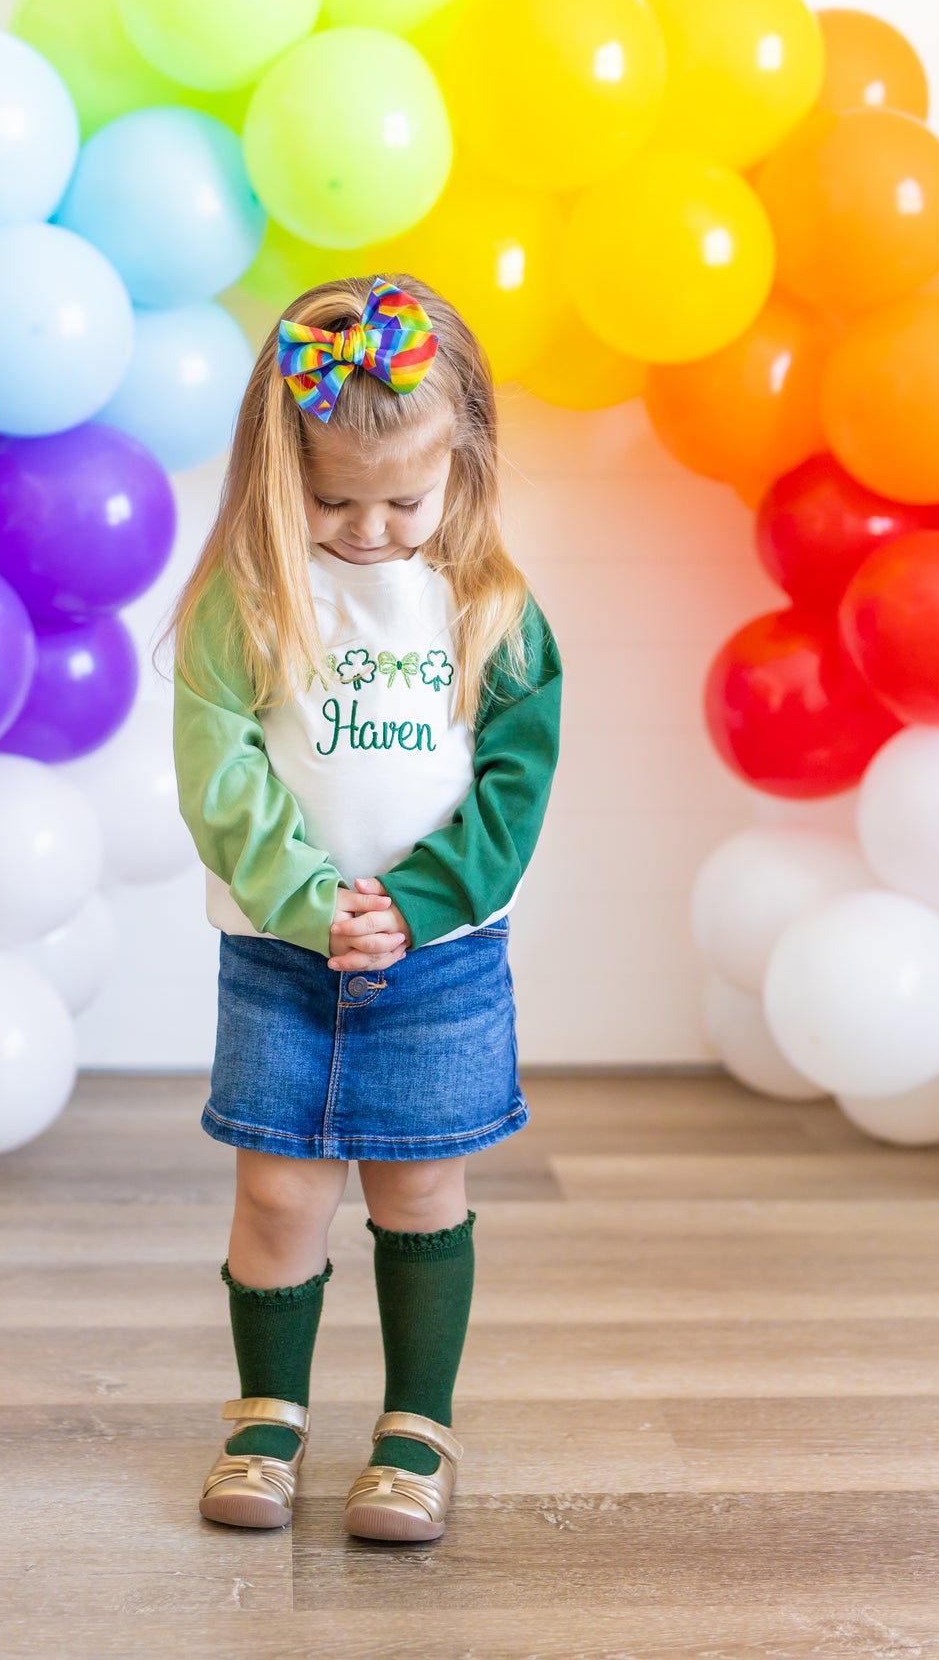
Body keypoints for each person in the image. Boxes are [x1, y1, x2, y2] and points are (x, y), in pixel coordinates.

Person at [170, 273, 562, 1544]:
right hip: (282, 958)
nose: (372, 526)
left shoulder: (488, 606)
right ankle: (267, 1410)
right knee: (278, 1195)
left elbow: (516, 777)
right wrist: (297, 893)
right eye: (335, 498)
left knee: (415, 1188)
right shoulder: (253, 596)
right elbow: (216, 763)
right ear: (279, 474)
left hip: (435, 961)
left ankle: (414, 1423)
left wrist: (421, 896)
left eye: (405, 496)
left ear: (464, 461)